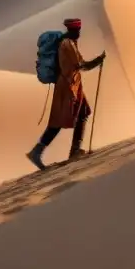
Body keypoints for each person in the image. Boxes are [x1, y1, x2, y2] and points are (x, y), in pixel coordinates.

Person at [27, 18, 105, 170]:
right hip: (67, 88)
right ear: (73, 30)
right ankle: (38, 151)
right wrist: (98, 60)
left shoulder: (69, 43)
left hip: (74, 86)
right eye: (77, 30)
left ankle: (74, 150)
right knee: (60, 121)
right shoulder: (67, 44)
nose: (79, 33)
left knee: (83, 112)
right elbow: (81, 65)